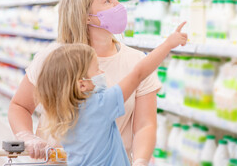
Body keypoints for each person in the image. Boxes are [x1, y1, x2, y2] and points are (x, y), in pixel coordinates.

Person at [8, 0, 162, 165]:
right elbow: (20, 106)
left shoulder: (137, 61)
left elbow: (145, 125)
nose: (118, 6)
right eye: (107, 1)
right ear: (85, 16)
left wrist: (140, 160)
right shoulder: (53, 57)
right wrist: (27, 136)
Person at [35, 23, 187, 165]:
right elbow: (138, 73)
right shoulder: (100, 105)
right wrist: (168, 44)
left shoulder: (62, 114)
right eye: (97, 69)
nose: (102, 72)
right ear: (82, 84)